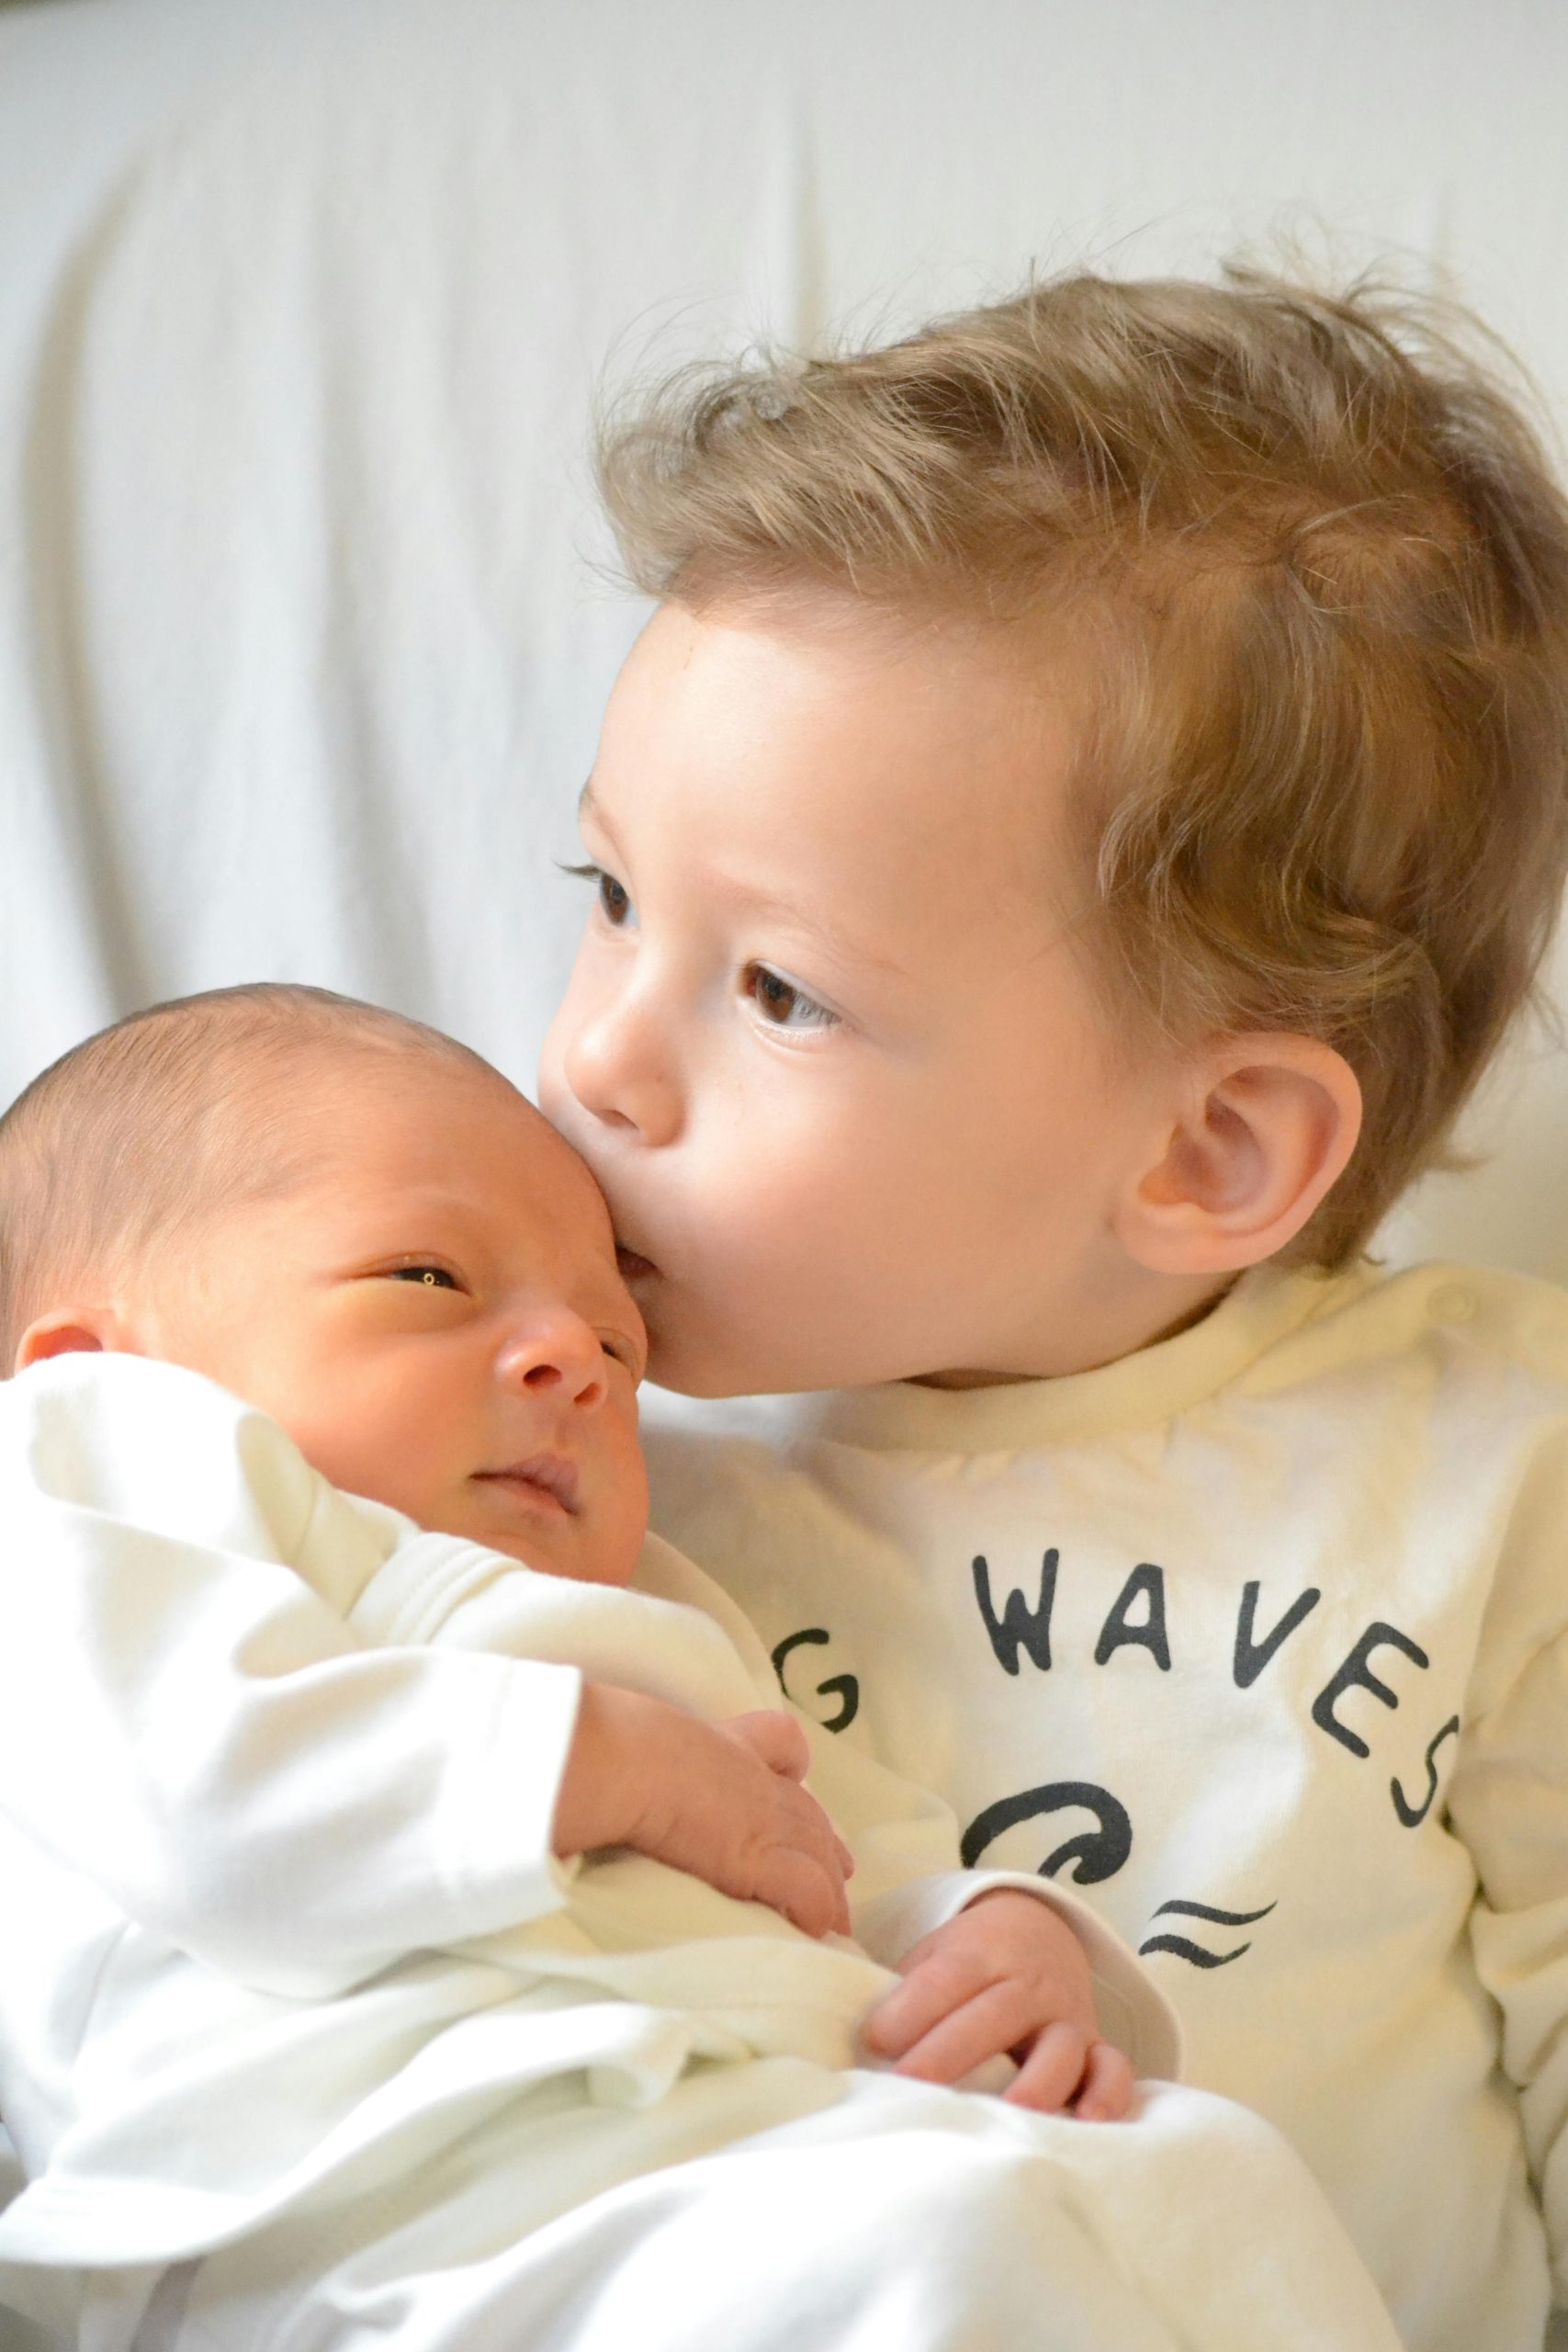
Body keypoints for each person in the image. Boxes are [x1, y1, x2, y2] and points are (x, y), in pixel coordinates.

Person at [536, 263, 1568, 2352]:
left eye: (776, 989)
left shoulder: (1489, 1449)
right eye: (613, 898)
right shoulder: (546, 1437)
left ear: (1201, 1156)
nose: (592, 1064)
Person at [0, 985, 1400, 2352]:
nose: (578, 1361)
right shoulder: (103, 1477)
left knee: (1203, 2180)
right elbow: (205, 1796)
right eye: (429, 1277)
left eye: (618, 1340)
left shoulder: (663, 1612)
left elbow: (828, 1844)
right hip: (393, 2218)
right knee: (946, 2255)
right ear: (86, 1362)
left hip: (764, 2142)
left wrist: (992, 1933)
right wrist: (606, 1767)